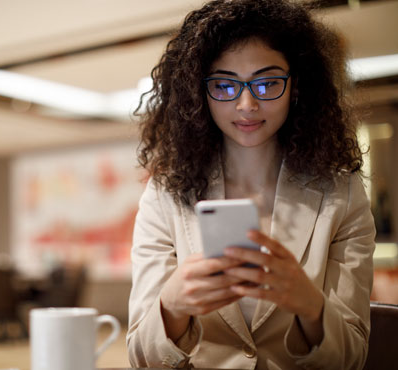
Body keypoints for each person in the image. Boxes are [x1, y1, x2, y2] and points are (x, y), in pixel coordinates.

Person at [126, 0, 376, 369]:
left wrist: (310, 305)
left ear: (296, 85)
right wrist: (171, 307)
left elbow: (353, 356)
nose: (246, 104)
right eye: (224, 85)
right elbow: (139, 357)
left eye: (267, 82)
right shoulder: (165, 194)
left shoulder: (343, 194)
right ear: (199, 92)